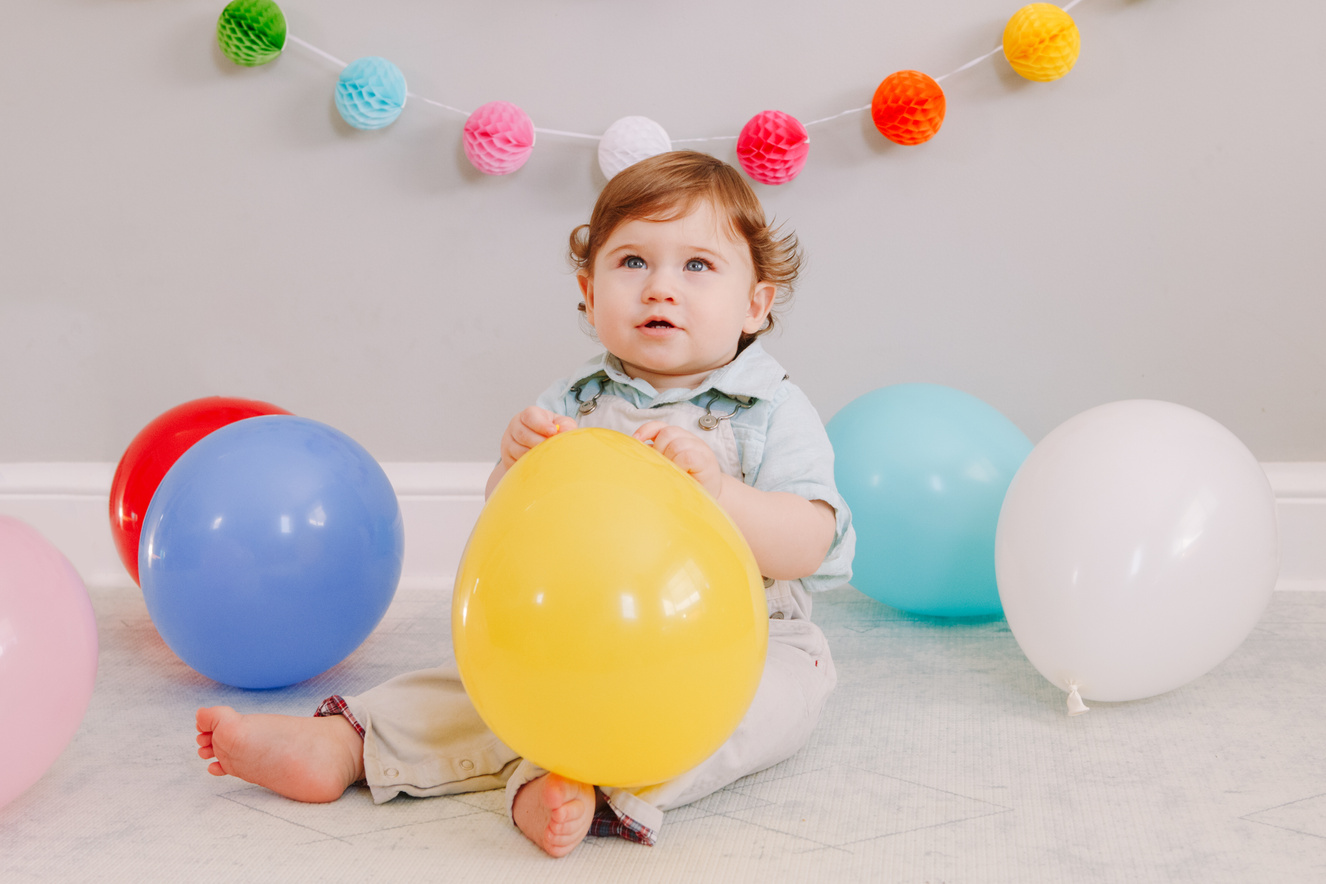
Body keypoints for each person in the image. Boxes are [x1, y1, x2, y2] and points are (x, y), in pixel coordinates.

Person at [194, 150, 855, 858]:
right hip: (564, 635)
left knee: (769, 706)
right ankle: (350, 744)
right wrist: (513, 464)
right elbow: (509, 532)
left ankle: (591, 787)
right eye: (632, 262)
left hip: (743, 643)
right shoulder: (574, 403)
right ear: (588, 289)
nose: (661, 288)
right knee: (472, 687)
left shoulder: (772, 409)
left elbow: (808, 542)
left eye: (697, 266)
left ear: (756, 302)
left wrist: (720, 493)